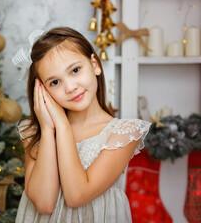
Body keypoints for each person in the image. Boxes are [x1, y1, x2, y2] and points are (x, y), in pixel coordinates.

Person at [12, 27, 151, 222]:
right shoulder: (35, 131)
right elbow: (44, 203)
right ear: (42, 90)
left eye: (75, 70)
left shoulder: (121, 133)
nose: (70, 87)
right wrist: (48, 128)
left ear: (94, 64)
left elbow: (76, 195)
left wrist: (62, 125)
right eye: (55, 82)